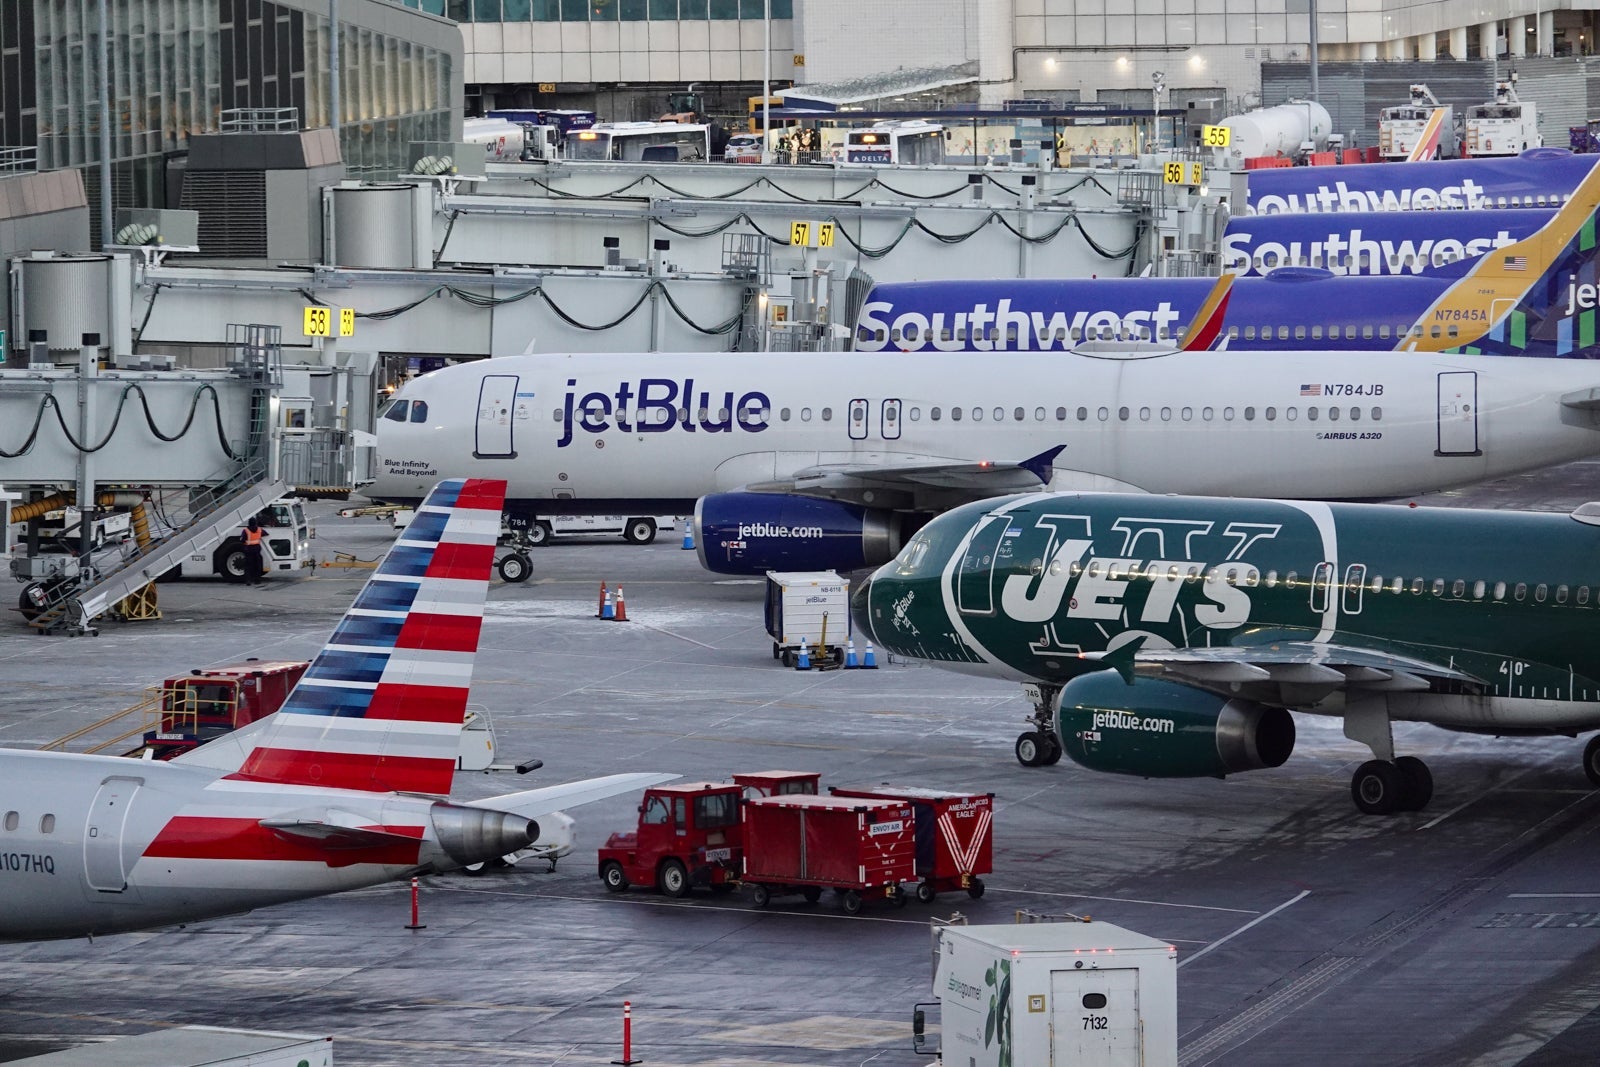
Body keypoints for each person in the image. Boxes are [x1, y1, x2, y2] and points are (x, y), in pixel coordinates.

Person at [242, 518, 264, 587]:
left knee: (248, 565)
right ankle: (257, 580)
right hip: (257, 549)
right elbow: (265, 533)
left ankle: (248, 580)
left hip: (248, 549)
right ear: (255, 523)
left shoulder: (246, 530)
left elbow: (242, 539)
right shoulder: (259, 530)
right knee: (257, 565)